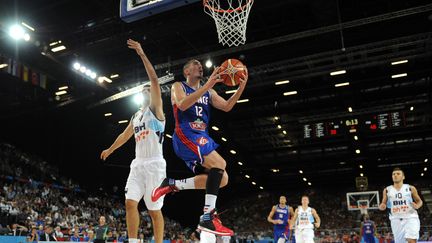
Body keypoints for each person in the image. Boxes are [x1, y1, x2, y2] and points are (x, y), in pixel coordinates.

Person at [151, 59, 248, 236]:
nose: (200, 66)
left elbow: (226, 106)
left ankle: (174, 184)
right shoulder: (178, 86)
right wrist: (208, 85)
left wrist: (241, 87)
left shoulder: (209, 92)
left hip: (202, 137)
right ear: (187, 71)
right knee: (220, 162)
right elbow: (182, 104)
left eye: (200, 64)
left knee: (223, 179)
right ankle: (208, 216)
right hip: (185, 134)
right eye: (195, 64)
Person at [100, 39, 167, 243]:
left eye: (149, 89)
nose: (146, 89)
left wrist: (141, 53)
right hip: (138, 164)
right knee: (130, 203)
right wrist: (110, 149)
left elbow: (154, 81)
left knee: (154, 211)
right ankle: (133, 241)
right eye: (144, 89)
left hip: (155, 164)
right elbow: (125, 135)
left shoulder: (156, 111)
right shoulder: (136, 115)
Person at [378, 167, 423, 243]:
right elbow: (383, 204)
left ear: (403, 177)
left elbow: (419, 201)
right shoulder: (387, 190)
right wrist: (382, 206)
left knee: (411, 240)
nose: (395, 175)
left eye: (398, 174)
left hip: (411, 217)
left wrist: (417, 205)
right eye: (393, 174)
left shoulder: (410, 188)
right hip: (395, 219)